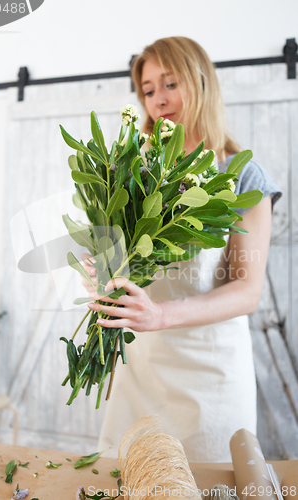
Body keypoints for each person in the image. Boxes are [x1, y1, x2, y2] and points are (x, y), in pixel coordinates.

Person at [82, 37, 282, 462]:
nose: (158, 99)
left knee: (208, 481)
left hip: (210, 378)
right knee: (126, 478)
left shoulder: (241, 174)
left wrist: (161, 315)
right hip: (142, 370)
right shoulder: (132, 170)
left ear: (201, 82)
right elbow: (123, 258)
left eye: (170, 83)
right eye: (148, 90)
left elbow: (248, 291)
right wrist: (103, 269)